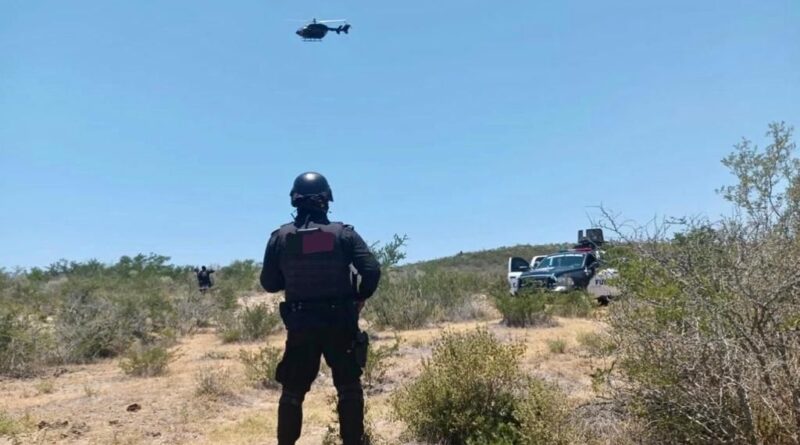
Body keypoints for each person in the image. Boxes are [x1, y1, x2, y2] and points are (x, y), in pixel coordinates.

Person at [260, 172, 381, 445]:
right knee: (349, 387)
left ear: (294, 200)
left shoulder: (280, 237)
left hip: (301, 324)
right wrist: (360, 297)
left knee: (292, 391)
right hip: (340, 321)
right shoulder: (343, 234)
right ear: (327, 199)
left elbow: (269, 283)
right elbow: (371, 270)